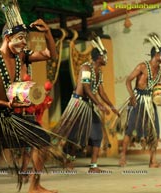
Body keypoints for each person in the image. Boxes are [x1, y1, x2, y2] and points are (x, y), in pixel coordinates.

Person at [0, 1, 58, 193]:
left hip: (10, 113)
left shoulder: (22, 56)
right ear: (7, 37)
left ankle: (34, 186)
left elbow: (49, 54)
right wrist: (5, 103)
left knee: (42, 140)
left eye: (25, 39)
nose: (24, 43)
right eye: (20, 38)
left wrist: (47, 33)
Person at [52, 35, 119, 173]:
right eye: (104, 56)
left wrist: (111, 107)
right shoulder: (85, 69)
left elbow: (102, 92)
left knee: (97, 133)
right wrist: (99, 105)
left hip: (89, 105)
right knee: (75, 136)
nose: (106, 59)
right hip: (78, 104)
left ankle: (93, 166)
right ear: (99, 57)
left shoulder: (99, 73)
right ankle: (69, 161)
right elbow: (87, 89)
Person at [117, 33, 161, 168]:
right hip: (137, 98)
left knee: (154, 130)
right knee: (130, 129)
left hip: (149, 101)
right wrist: (131, 96)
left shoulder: (159, 70)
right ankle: (122, 156)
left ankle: (152, 161)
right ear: (157, 55)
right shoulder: (142, 66)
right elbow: (128, 80)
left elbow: (158, 86)